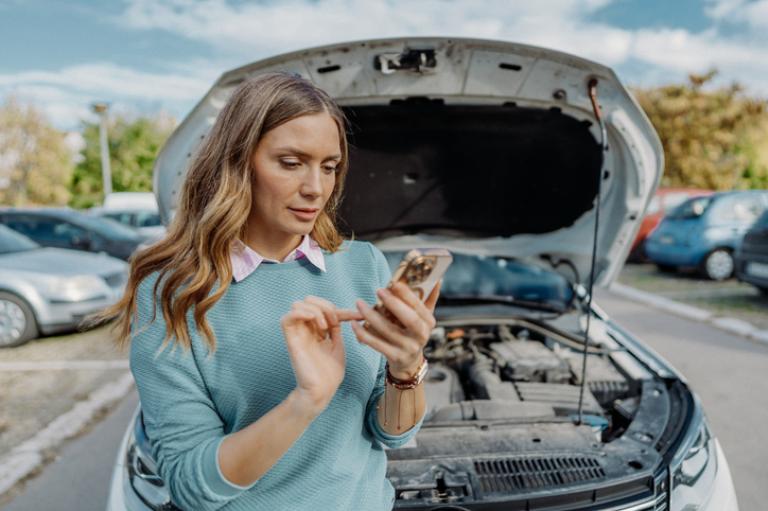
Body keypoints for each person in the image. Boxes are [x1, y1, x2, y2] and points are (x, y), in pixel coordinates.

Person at [87, 71, 440, 511]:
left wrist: (406, 369)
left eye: (329, 167)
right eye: (291, 163)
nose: (316, 187)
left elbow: (391, 432)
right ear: (237, 163)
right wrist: (305, 401)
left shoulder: (362, 262)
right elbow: (191, 487)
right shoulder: (171, 292)